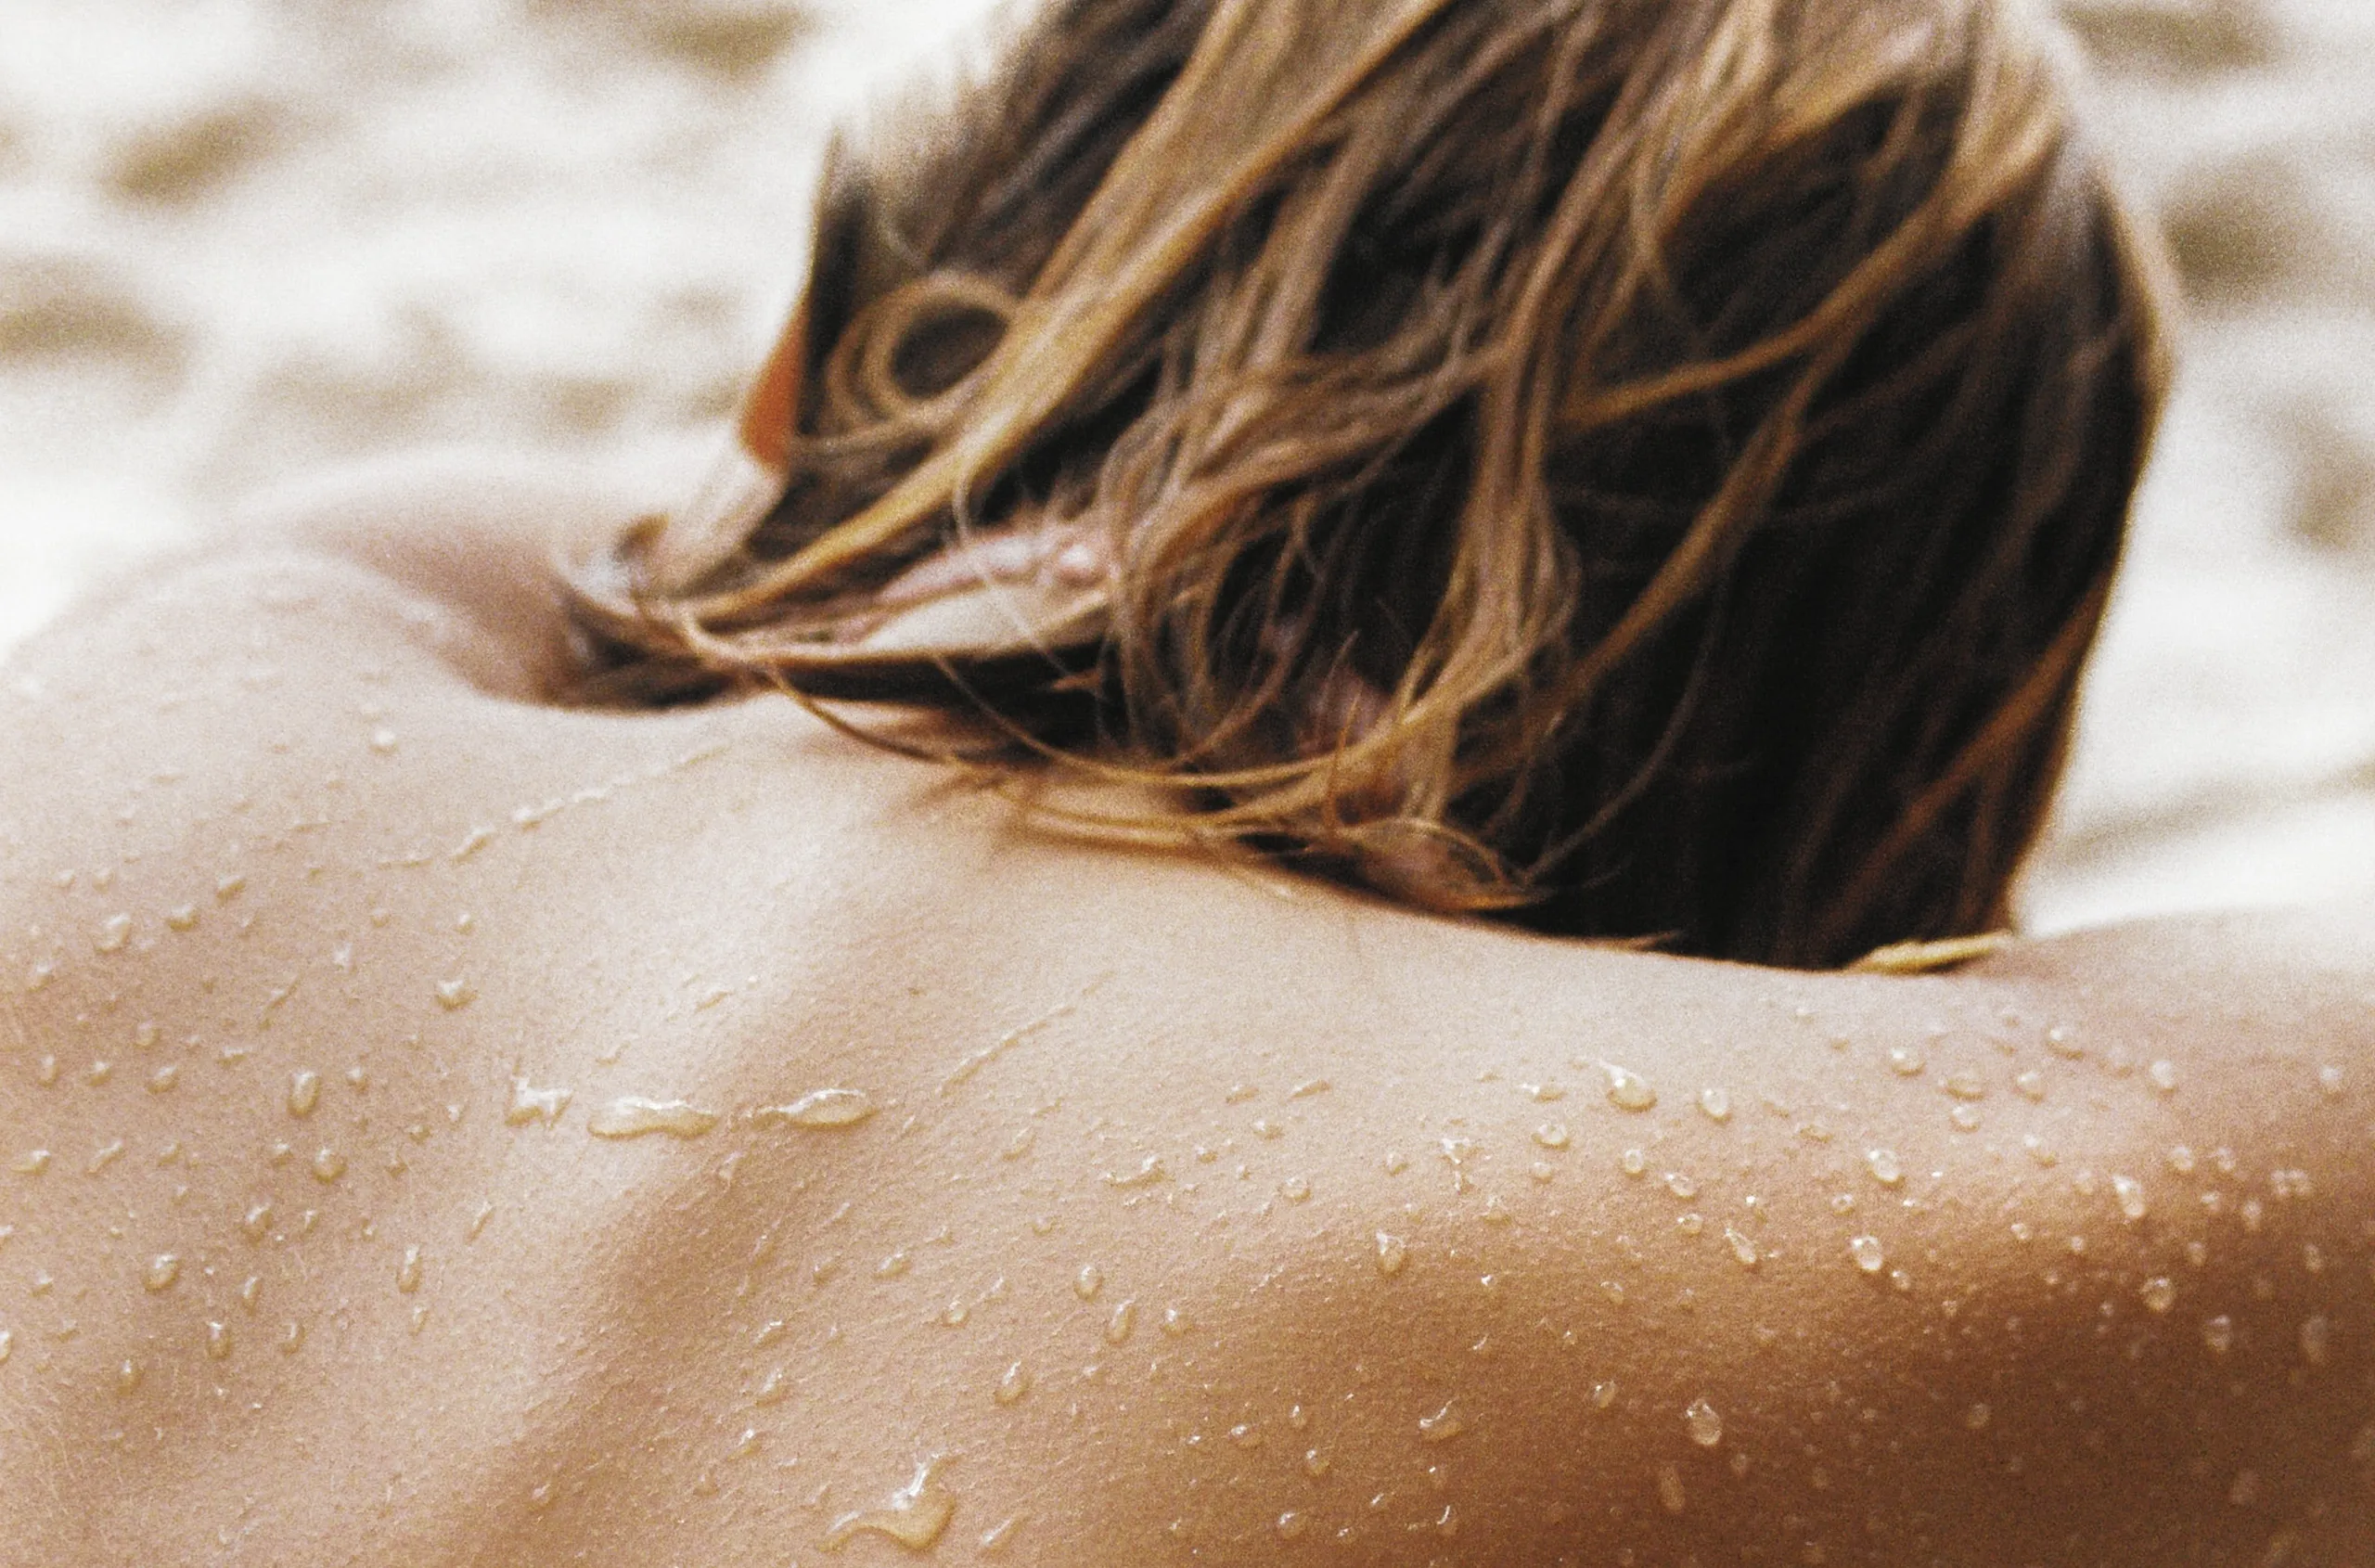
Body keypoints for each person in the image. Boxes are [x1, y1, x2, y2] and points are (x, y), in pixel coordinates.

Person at [0, 0, 2365, 1563]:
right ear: (1919, 850)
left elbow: (646, 531)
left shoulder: (156, 756)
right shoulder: (1879, 1224)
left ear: (805, 365)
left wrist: (988, 471)